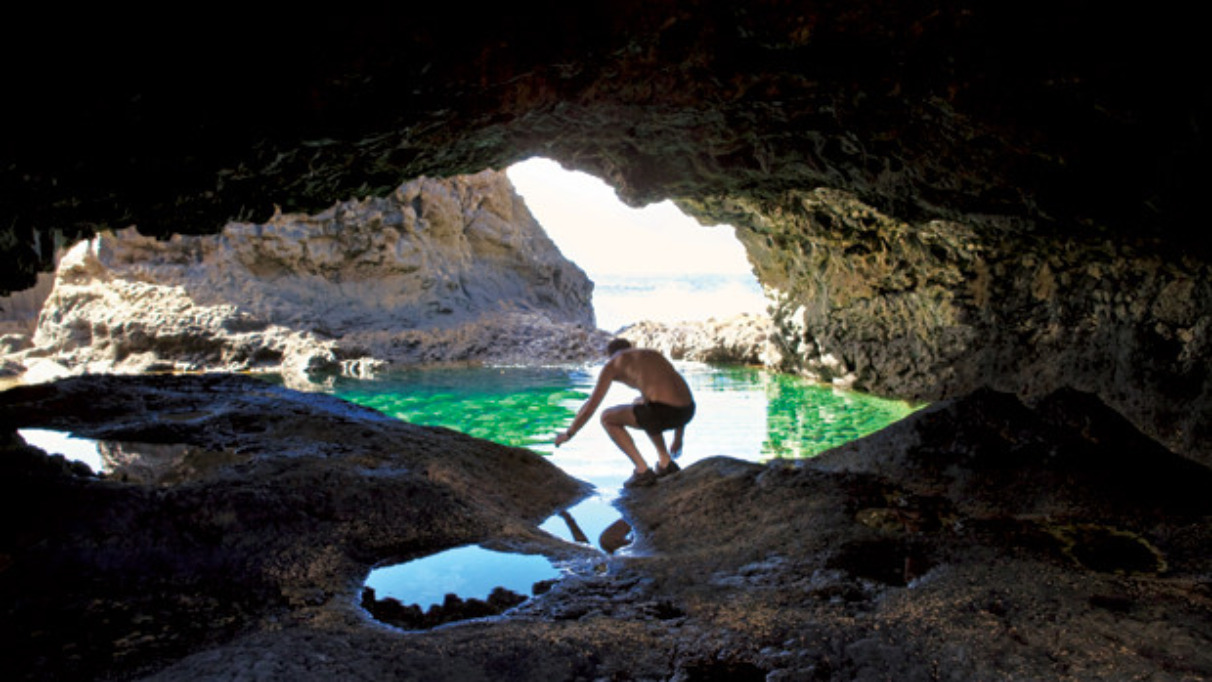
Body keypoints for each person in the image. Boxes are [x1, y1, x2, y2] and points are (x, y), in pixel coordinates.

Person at [555, 338, 696, 488]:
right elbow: (678, 396)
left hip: (662, 412)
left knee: (607, 417)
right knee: (640, 404)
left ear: (610, 355)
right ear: (631, 347)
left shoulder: (613, 364)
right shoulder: (652, 355)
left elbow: (590, 406)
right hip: (687, 411)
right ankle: (665, 462)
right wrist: (678, 438)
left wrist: (569, 433)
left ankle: (642, 471)